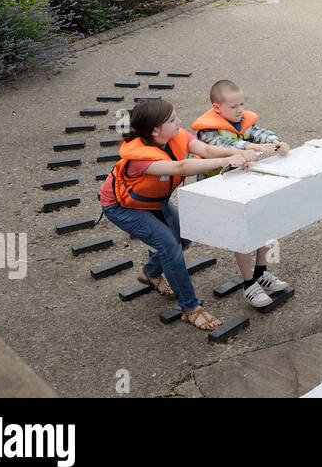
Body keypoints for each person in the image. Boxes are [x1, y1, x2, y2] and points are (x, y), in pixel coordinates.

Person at [101, 99, 257, 331]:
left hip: (154, 200)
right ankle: (190, 308)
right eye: (173, 119)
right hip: (122, 207)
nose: (179, 122)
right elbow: (180, 168)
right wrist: (227, 161)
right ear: (155, 130)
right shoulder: (138, 159)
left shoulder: (173, 136)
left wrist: (240, 151)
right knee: (169, 247)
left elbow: (205, 149)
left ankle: (149, 273)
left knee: (183, 239)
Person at [191, 80, 293, 309]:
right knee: (240, 232)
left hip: (241, 179)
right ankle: (249, 284)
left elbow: (258, 132)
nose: (239, 111)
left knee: (262, 222)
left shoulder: (242, 120)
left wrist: (275, 141)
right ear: (216, 108)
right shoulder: (207, 131)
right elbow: (226, 143)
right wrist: (248, 147)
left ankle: (262, 271)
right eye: (234, 107)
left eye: (242, 105)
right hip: (218, 186)